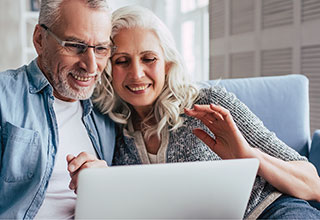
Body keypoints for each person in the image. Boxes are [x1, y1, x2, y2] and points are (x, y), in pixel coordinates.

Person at [93, 5, 320, 219]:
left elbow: (313, 183)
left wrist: (248, 155)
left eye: (149, 59)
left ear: (167, 64)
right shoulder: (110, 128)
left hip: (271, 212)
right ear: (109, 69)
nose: (137, 73)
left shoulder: (209, 103)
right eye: (122, 61)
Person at [0, 0, 116, 219]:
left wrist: (104, 185)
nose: (91, 66)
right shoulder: (4, 98)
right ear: (39, 39)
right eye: (74, 46)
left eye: (100, 49)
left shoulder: (108, 109)